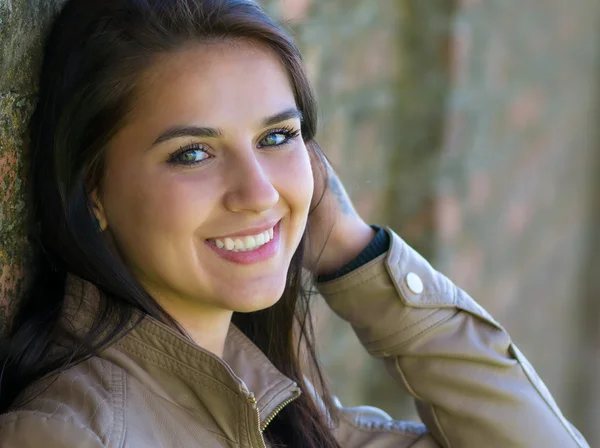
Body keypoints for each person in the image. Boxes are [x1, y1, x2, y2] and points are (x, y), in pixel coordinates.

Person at [0, 0, 589, 446]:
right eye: (193, 153)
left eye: (277, 137)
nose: (258, 193)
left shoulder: (288, 418)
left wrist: (353, 251)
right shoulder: (73, 435)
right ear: (93, 191)